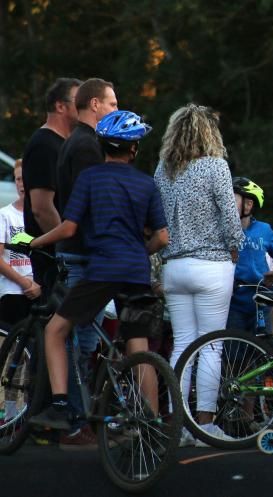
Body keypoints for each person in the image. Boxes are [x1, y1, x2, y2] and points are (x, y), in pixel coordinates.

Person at [24, 110, 168, 432]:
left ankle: (60, 406)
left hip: (102, 270)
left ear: (102, 145)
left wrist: (35, 242)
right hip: (137, 272)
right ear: (134, 149)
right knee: (138, 344)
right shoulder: (146, 183)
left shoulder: (91, 178)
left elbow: (69, 228)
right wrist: (137, 253)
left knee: (55, 331)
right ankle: (152, 424)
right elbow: (161, 237)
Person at [154, 104, 244, 446]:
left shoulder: (163, 170)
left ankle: (180, 424)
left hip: (174, 266)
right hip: (211, 265)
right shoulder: (215, 166)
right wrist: (234, 247)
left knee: (182, 345)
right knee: (211, 346)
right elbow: (230, 218)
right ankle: (205, 425)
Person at [54, 77, 118, 448]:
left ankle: (82, 418)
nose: (115, 110)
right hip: (84, 254)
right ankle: (78, 423)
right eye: (111, 104)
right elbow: (90, 202)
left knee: (85, 338)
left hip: (77, 251)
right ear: (93, 104)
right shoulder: (86, 146)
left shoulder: (74, 142)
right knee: (83, 341)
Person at [22, 77, 82, 288]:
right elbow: (42, 207)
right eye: (78, 100)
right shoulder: (45, 145)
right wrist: (65, 247)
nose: (84, 105)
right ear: (60, 106)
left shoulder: (63, 144)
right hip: (52, 259)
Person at [229, 177, 273, 334]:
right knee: (234, 352)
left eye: (231, 200)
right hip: (232, 304)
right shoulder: (223, 232)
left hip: (261, 301)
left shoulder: (264, 230)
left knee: (264, 349)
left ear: (249, 205)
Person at [0, 160, 41, 325]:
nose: (22, 184)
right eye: (18, 179)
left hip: (40, 289)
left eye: (25, 178)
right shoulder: (4, 215)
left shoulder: (42, 215)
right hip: (12, 290)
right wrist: (24, 283)